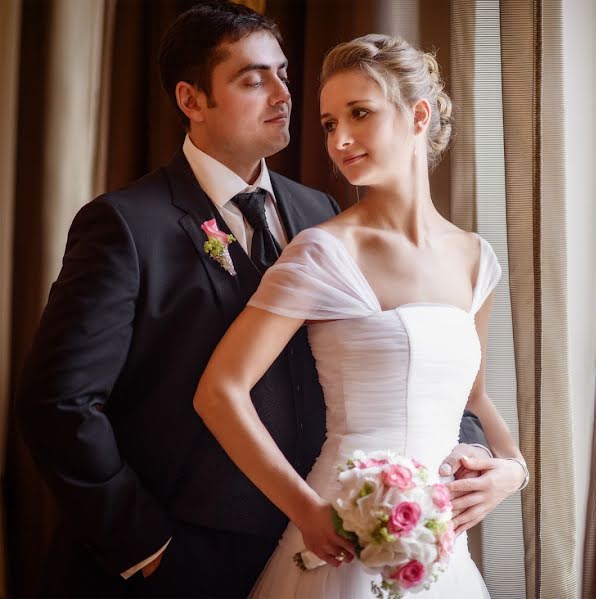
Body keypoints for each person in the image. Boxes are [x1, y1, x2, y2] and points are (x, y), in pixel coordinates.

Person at [15, 4, 492, 596]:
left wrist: (484, 463)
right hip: (177, 556)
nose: (281, 93)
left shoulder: (320, 212)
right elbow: (57, 403)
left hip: (309, 547)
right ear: (192, 101)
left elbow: (398, 361)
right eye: (251, 78)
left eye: (283, 73)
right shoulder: (126, 225)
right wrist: (148, 546)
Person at [192, 33, 529, 598]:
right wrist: (306, 510)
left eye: (359, 114)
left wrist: (513, 469)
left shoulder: (477, 258)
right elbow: (220, 391)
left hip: (442, 549)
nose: (340, 140)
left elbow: (472, 399)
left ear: (417, 115)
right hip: (338, 537)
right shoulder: (322, 252)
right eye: (328, 123)